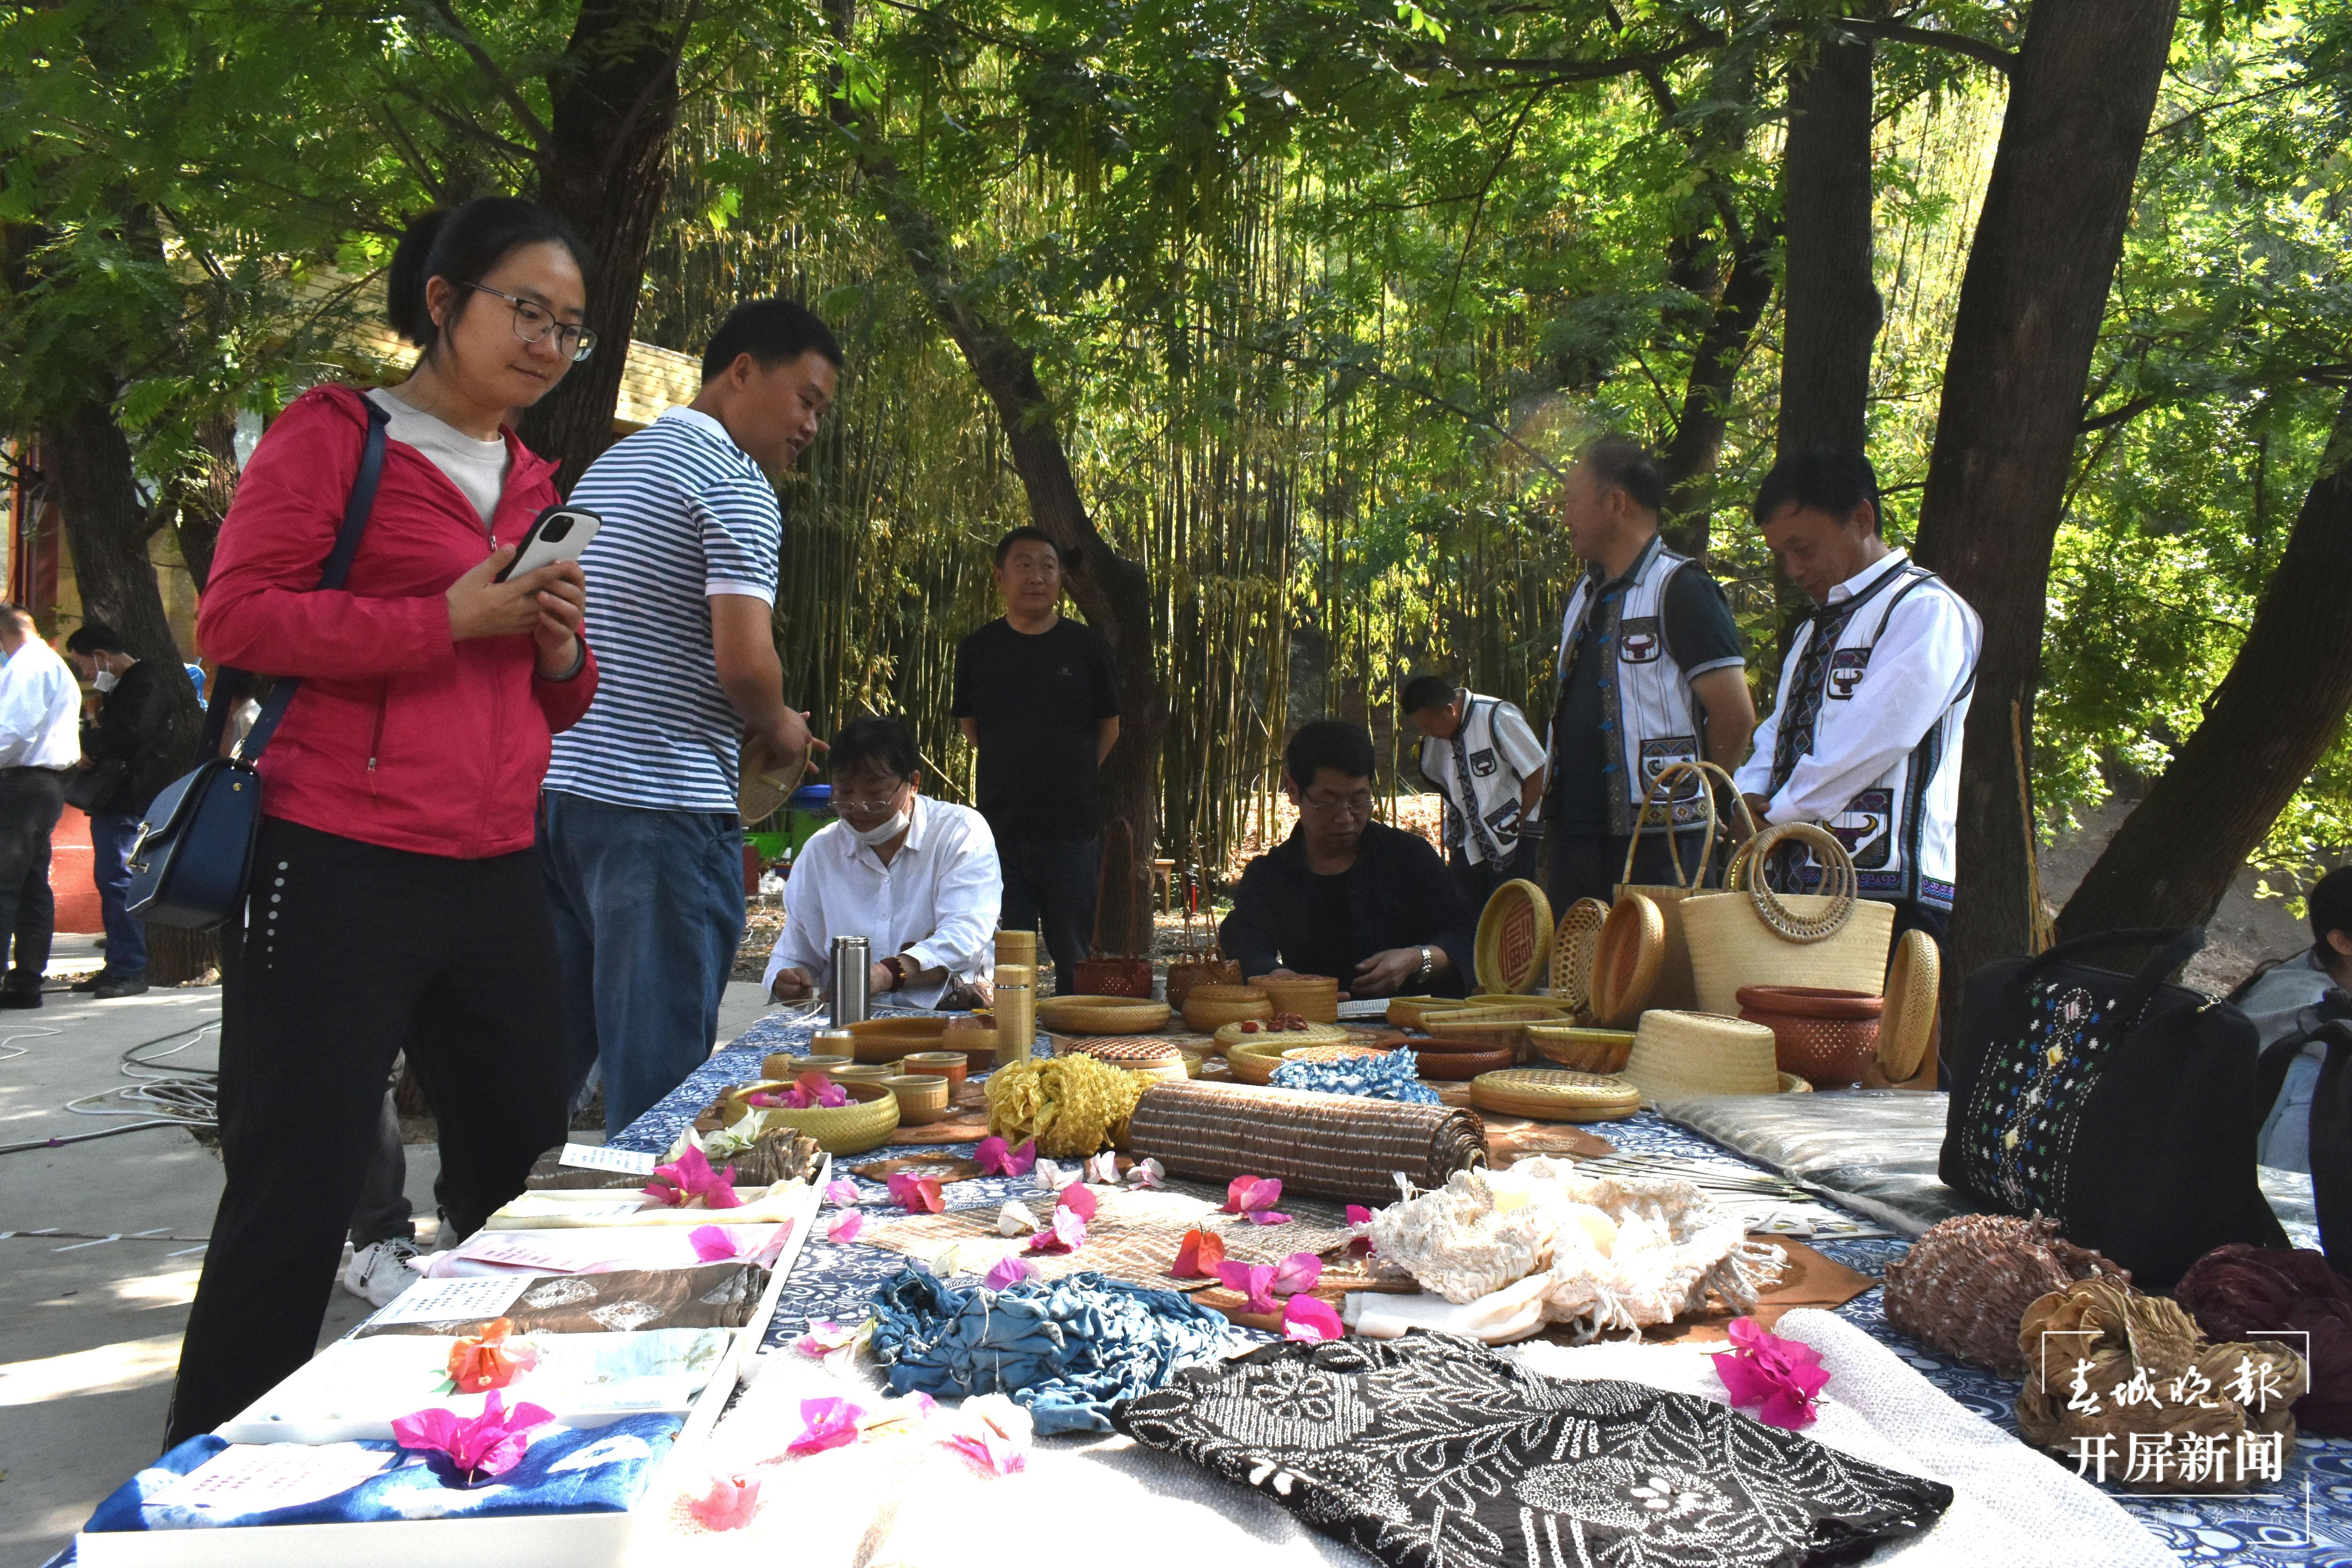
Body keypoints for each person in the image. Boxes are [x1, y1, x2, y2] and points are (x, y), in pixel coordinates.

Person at [167, 196, 598, 1444]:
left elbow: (559, 700)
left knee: (523, 1182)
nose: (547, 342)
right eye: (526, 309)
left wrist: (561, 646)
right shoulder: (336, 437)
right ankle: (197, 1503)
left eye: (569, 327)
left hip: (497, 867)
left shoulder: (532, 480)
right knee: (293, 1197)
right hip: (337, 856)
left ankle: (504, 1450)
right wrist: (442, 620)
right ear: (441, 299)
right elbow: (235, 622)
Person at [541, 299, 837, 1132]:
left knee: (544, 1068)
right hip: (661, 811)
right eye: (806, 399)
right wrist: (780, 723)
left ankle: (489, 1240)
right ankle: (646, 1259)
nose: (812, 424)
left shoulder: (613, 464)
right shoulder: (735, 482)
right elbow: (743, 664)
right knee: (658, 1086)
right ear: (741, 370)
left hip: (565, 799)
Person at [1734, 443, 1981, 947]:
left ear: (1862, 518)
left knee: (1881, 1028)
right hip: (1793, 884)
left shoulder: (1926, 611)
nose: (1795, 570)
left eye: (1803, 549)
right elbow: (1777, 733)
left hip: (1887, 892)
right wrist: (1746, 798)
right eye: (1782, 556)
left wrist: (1776, 817)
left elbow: (1873, 738)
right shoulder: (1812, 632)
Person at [1544, 436, 1754, 910]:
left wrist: (1700, 798)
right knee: (1582, 970)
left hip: (1664, 844)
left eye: (1572, 501)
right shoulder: (1583, 593)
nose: (1565, 516)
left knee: (1657, 974)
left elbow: (1735, 715)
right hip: (1579, 834)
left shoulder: (1681, 587)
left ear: (1615, 502)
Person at [952, 528, 1122, 993]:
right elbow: (972, 726)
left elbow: (1110, 726)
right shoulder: (978, 649)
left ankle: (1077, 1052)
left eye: (1048, 566)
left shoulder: (1087, 647)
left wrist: (1078, 772)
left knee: (1076, 954)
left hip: (1072, 828)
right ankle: (1015, 1049)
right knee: (1010, 958)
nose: (1038, 577)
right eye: (1024, 565)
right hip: (1002, 829)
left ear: (1061, 579)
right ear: (1000, 577)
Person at [1220, 719, 1474, 998]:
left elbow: (1465, 936)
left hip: (1410, 1022)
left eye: (1359, 800)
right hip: (1312, 1028)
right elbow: (1244, 942)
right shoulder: (1271, 875)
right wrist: (1279, 979)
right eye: (1328, 803)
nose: (1346, 818)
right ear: (1293, 790)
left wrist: (1417, 959)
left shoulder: (1409, 857)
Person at [763, 715, 1000, 1009]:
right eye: (845, 794)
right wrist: (785, 978)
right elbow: (794, 952)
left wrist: (886, 974)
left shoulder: (960, 833)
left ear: (913, 783)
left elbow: (965, 936)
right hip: (848, 1021)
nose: (860, 807)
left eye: (876, 794)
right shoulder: (820, 852)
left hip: (951, 1014)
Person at [64, 621, 180, 999]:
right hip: (119, 796)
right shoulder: (128, 686)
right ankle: (117, 964)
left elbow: (130, 736)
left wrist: (90, 745)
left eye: (85, 665)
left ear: (102, 656)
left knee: (120, 881)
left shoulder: (145, 683)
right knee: (111, 881)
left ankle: (129, 969)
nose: (86, 674)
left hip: (131, 796)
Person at [2236, 866, 2352, 1172]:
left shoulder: (2315, 969)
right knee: (2327, 1076)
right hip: (2258, 1189)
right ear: (2343, 943)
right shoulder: (2309, 1006)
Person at [1401, 673, 1547, 912]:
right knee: (1469, 922)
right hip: (1467, 846)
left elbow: (1538, 771)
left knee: (1511, 918)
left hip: (1516, 840)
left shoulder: (1497, 716)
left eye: (1429, 725)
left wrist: (1520, 824)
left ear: (1449, 710)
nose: (1428, 733)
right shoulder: (1434, 742)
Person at [0, 606, 82, 1008]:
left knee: (4, 887)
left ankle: (22, 979)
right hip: (42, 786)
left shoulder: (27, 665)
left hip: (20, 784)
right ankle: (26, 980)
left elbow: (13, 728)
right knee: (32, 886)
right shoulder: (53, 664)